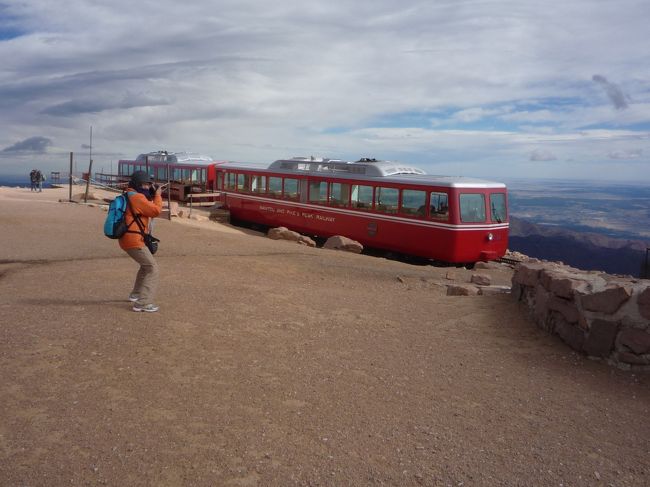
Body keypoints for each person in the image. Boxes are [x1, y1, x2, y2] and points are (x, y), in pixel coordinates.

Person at [120, 170, 163, 312]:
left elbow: (145, 208)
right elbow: (155, 211)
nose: (147, 187)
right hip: (134, 240)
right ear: (138, 184)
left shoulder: (130, 194)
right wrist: (157, 195)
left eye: (148, 185)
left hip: (129, 238)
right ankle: (143, 303)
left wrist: (151, 193)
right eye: (145, 184)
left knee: (145, 266)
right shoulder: (137, 198)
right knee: (152, 268)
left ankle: (136, 295)